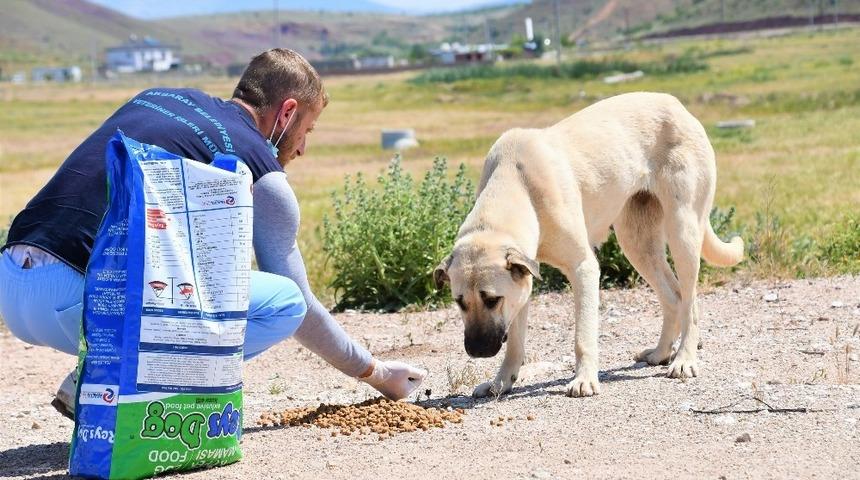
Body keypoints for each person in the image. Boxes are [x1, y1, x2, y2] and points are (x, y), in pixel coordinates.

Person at [0, 48, 426, 418]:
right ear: (288, 112)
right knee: (284, 303)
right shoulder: (258, 164)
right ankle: (114, 381)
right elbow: (303, 305)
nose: (301, 149)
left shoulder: (159, 97)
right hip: (79, 301)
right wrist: (376, 372)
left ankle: (97, 373)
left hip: (13, 281)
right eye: (306, 131)